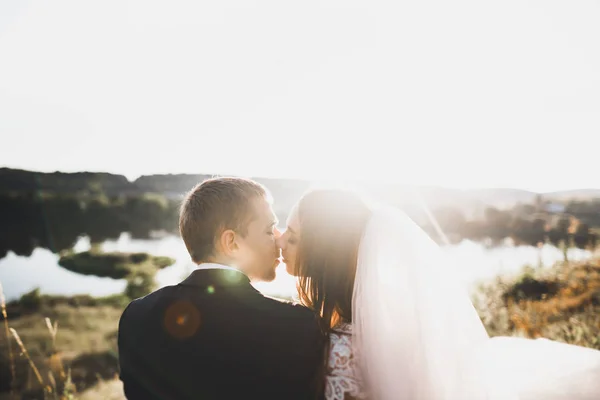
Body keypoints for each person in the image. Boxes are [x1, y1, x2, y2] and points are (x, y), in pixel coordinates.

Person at [278, 188, 600, 400]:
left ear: (324, 252)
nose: (280, 242)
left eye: (292, 237)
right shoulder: (386, 309)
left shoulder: (340, 344)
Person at [118, 177, 325, 400]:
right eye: (269, 229)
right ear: (231, 243)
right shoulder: (297, 326)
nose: (279, 239)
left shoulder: (136, 316)